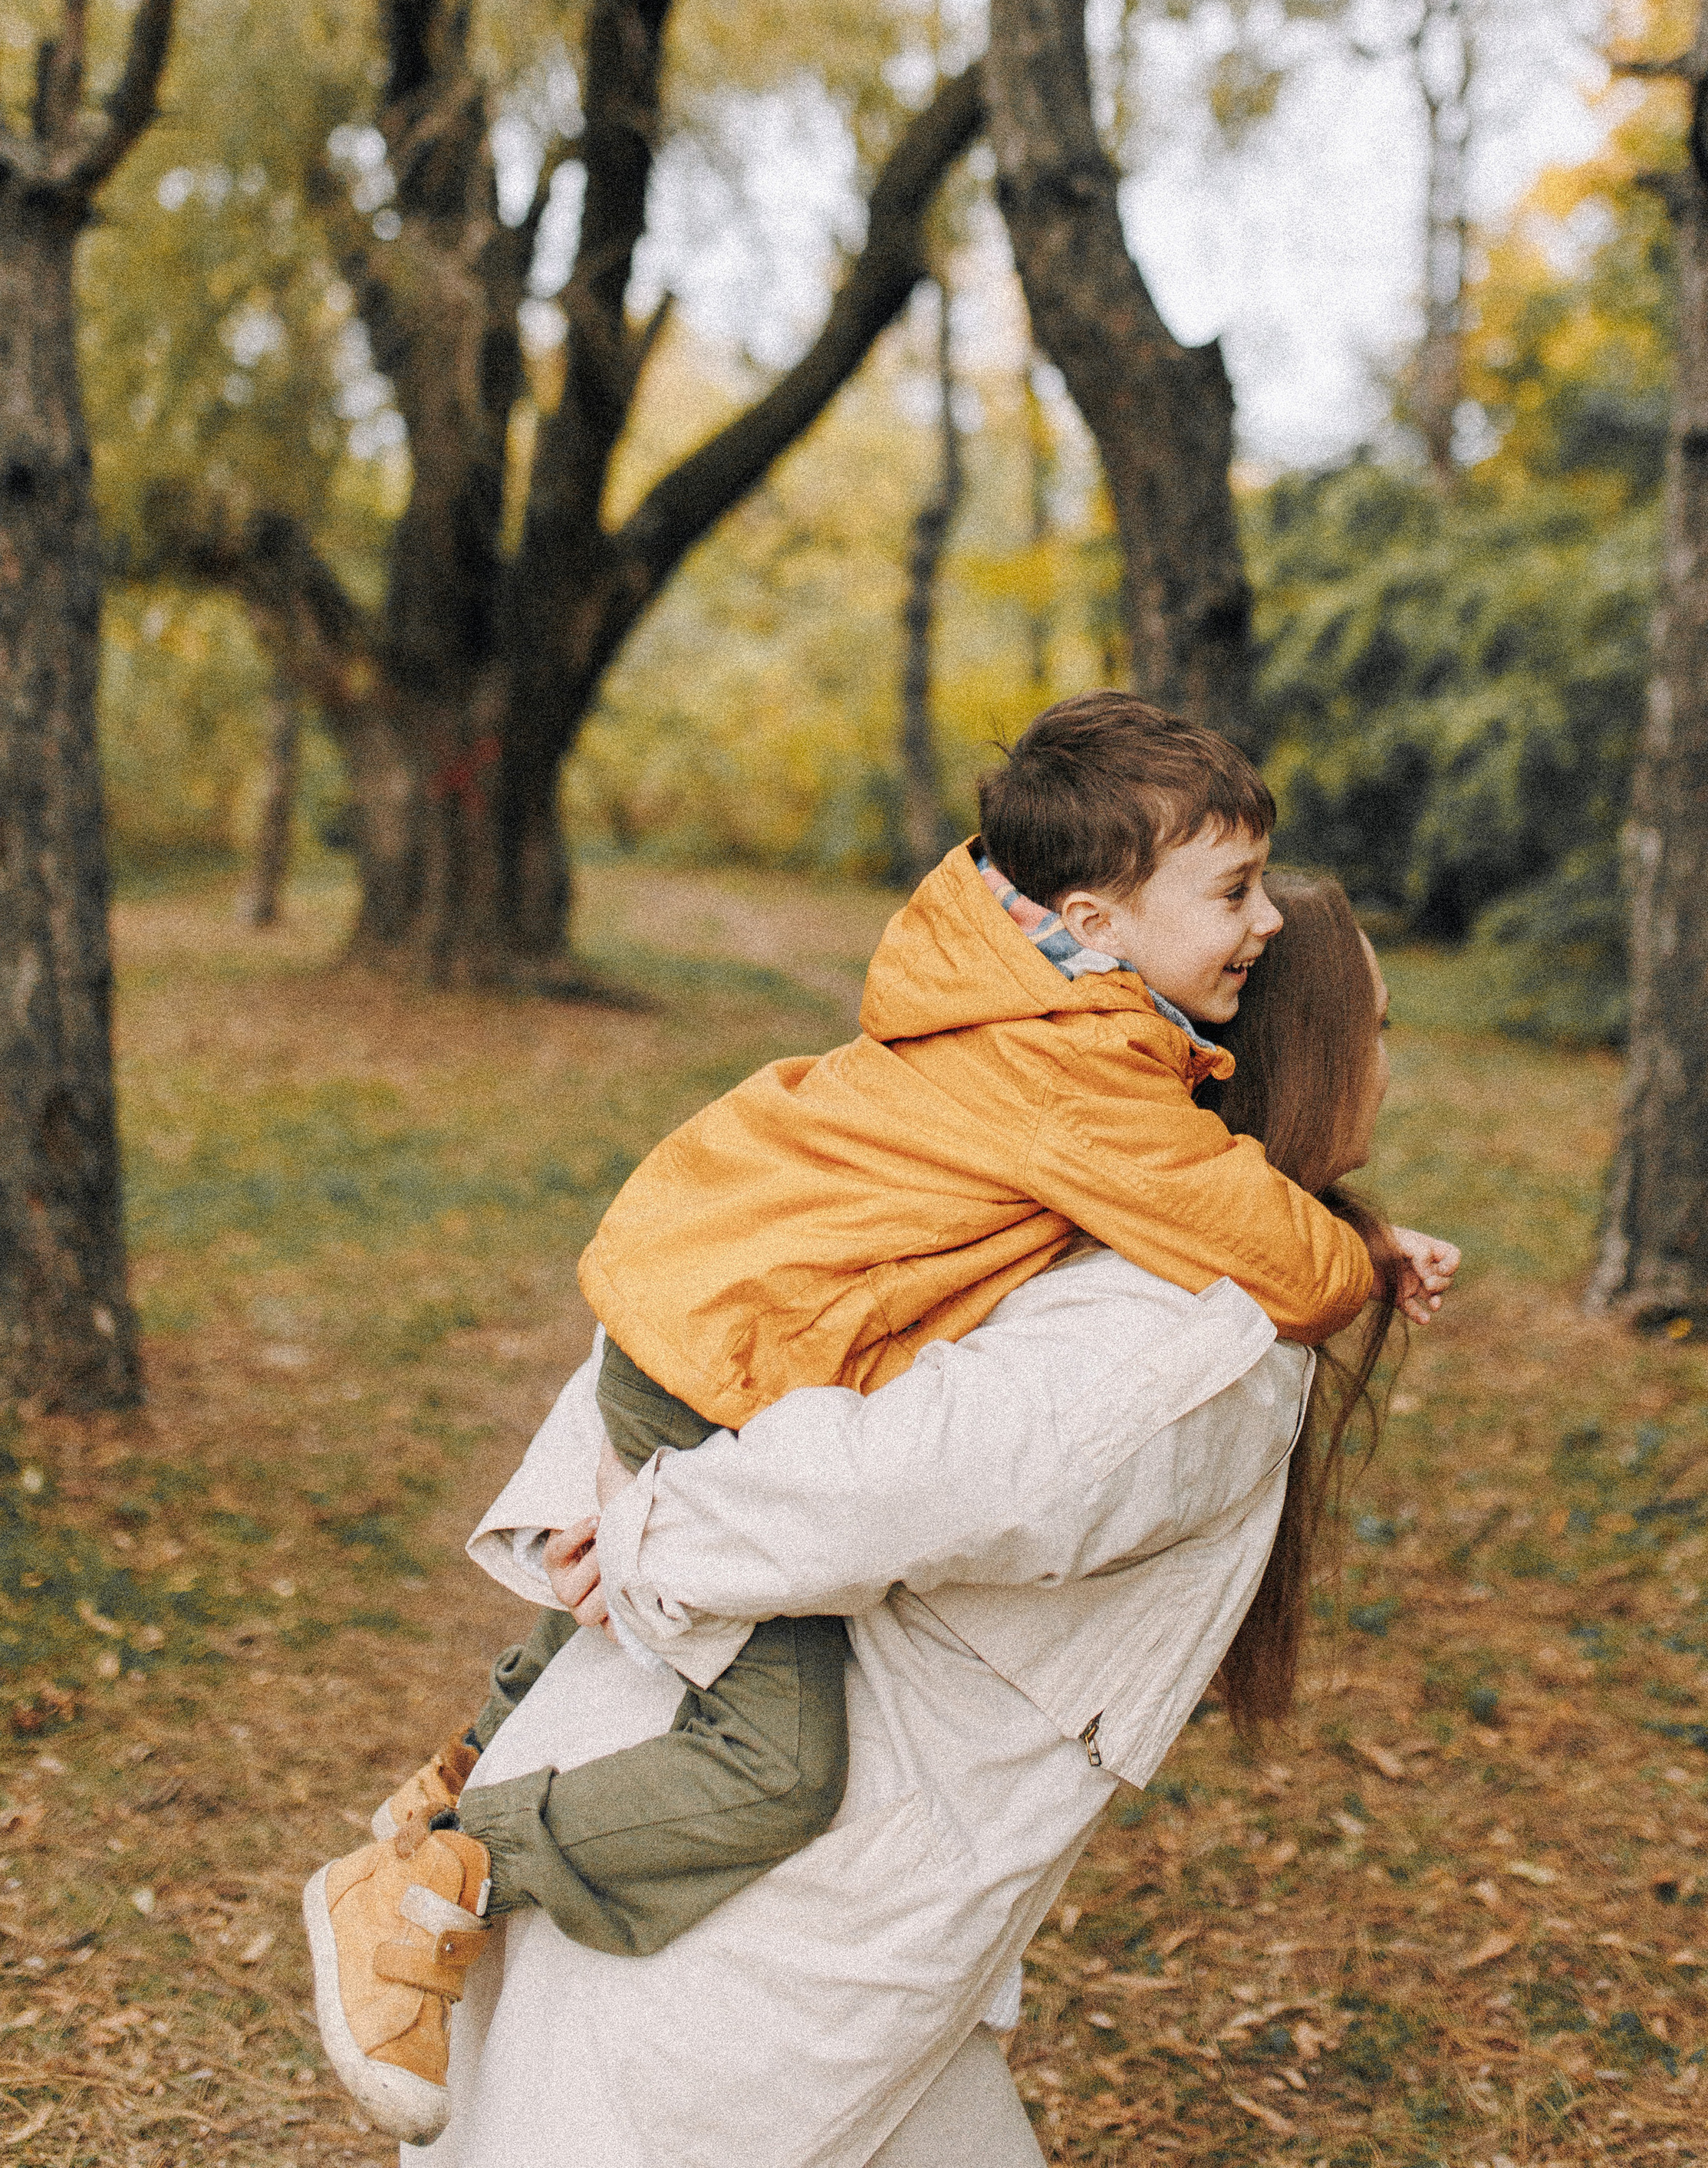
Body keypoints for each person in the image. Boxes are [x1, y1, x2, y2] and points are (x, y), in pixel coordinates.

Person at [304, 695, 1453, 2140]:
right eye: (1234, 896)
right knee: (776, 1770)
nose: (1262, 923)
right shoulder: (1156, 1267)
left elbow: (1168, 1203)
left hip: (700, 1382)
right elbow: (916, 1469)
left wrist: (627, 1516)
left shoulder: (1041, 1048)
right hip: (784, 1911)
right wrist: (655, 1531)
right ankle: (438, 1870)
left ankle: (474, 1766)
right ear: (1099, 925)